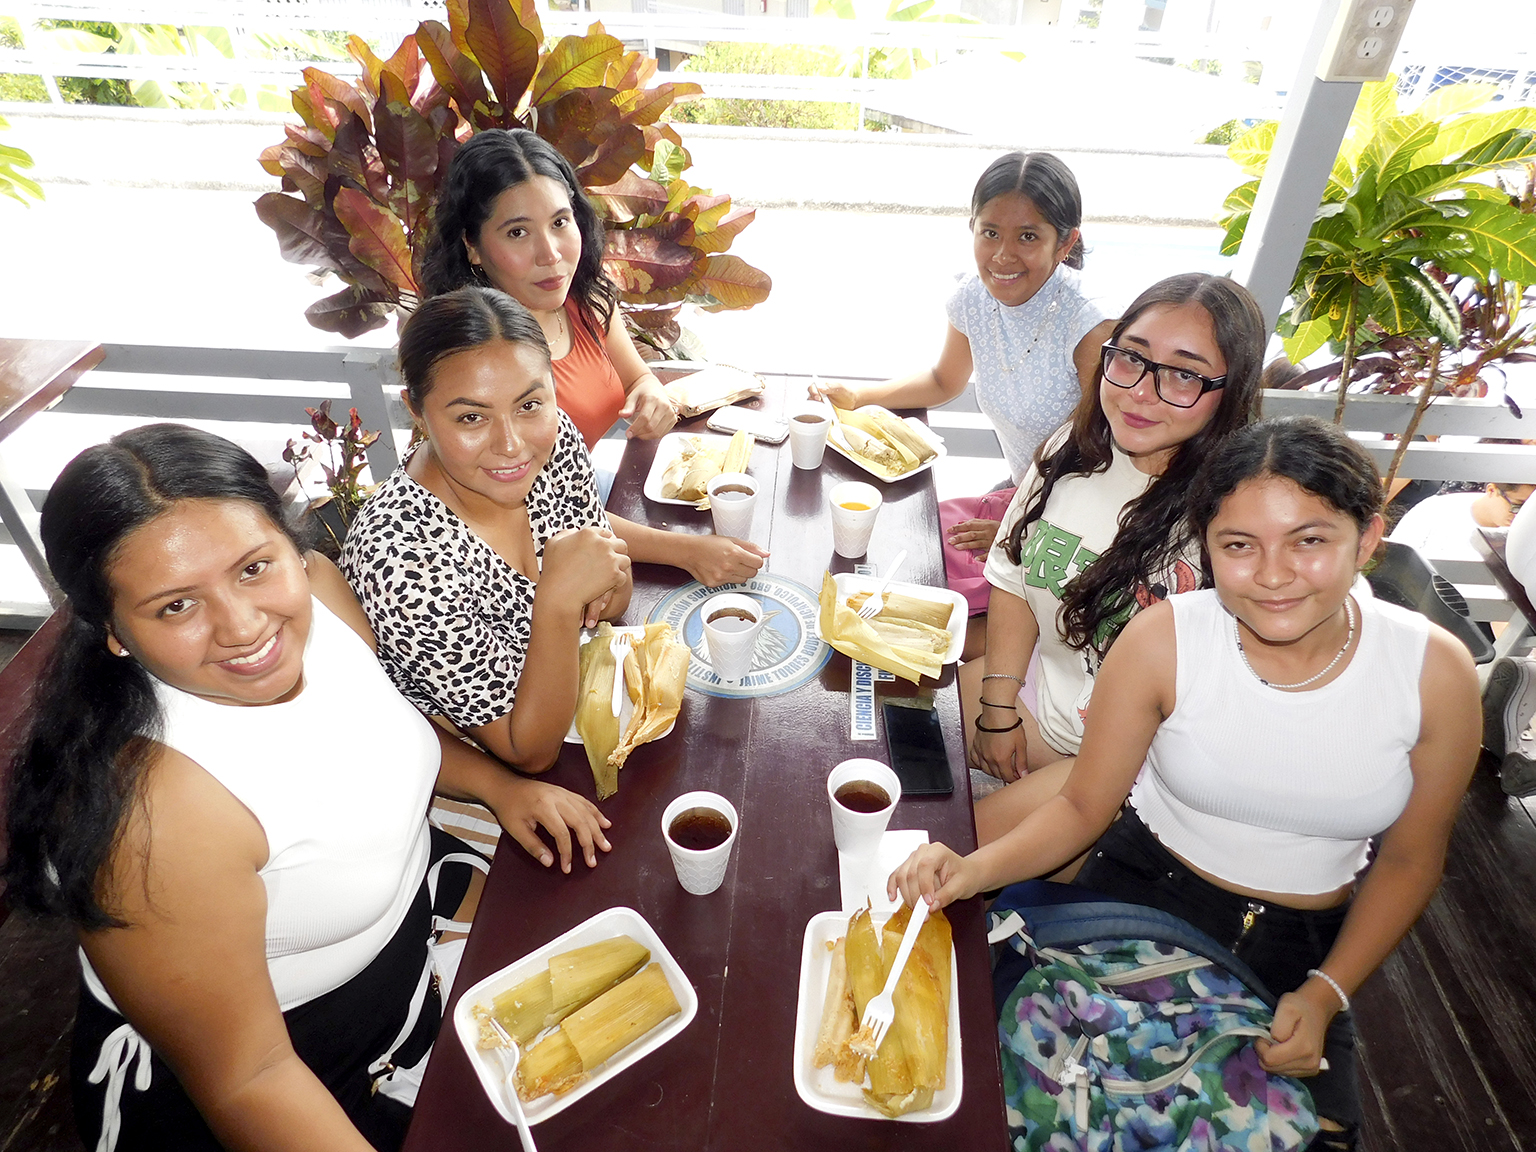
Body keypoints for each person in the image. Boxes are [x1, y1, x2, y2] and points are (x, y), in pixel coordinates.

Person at [0, 424, 610, 1152]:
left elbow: (378, 727)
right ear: (113, 631)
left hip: (410, 930)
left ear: (291, 546)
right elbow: (249, 1078)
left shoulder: (318, 588)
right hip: (301, 1066)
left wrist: (498, 788)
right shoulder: (153, 816)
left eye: (254, 568)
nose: (242, 625)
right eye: (175, 606)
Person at [890, 415, 1481, 1150]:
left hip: (1298, 950)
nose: (1272, 574)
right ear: (1207, 546)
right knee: (996, 1092)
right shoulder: (1166, 637)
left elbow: (1410, 861)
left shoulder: (1434, 672)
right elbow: (1082, 805)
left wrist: (1327, 992)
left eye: (1309, 541)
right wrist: (971, 870)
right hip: (1134, 896)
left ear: (1366, 540)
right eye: (1239, 545)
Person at [965, 273, 1265, 841]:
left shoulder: (1236, 521)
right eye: (1132, 357)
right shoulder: (1074, 450)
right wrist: (998, 709)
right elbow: (1012, 578)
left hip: (1133, 772)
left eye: (1184, 374)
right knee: (884, 733)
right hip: (1042, 700)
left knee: (943, 851)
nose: (1140, 392)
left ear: (1232, 390)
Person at [422, 128, 764, 588]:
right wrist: (688, 552)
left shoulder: (582, 298)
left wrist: (649, 394)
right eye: (518, 232)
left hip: (598, 501)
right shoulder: (472, 359)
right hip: (524, 567)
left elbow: (637, 376)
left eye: (560, 222)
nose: (550, 254)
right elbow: (545, 520)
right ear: (473, 246)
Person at [814, 152, 1117, 652]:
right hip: (1022, 494)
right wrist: (859, 396)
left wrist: (1027, 534)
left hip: (1076, 526)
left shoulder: (1092, 327)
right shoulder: (975, 298)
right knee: (896, 547)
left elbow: (1107, 464)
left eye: (1028, 236)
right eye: (990, 232)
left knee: (923, 617)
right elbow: (943, 380)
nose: (1002, 256)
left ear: (1065, 243)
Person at [343, 287, 635, 787]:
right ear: (417, 411)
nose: (511, 444)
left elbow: (612, 593)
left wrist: (601, 585)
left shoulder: (552, 442)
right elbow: (528, 752)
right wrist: (558, 603)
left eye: (529, 404)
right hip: (477, 777)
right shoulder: (400, 559)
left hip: (586, 706)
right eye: (471, 417)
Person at [1388, 480, 1535, 560]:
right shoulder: (1435, 510)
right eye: (1518, 505)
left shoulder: (1528, 530)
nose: (1522, 515)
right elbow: (1395, 561)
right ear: (1491, 490)